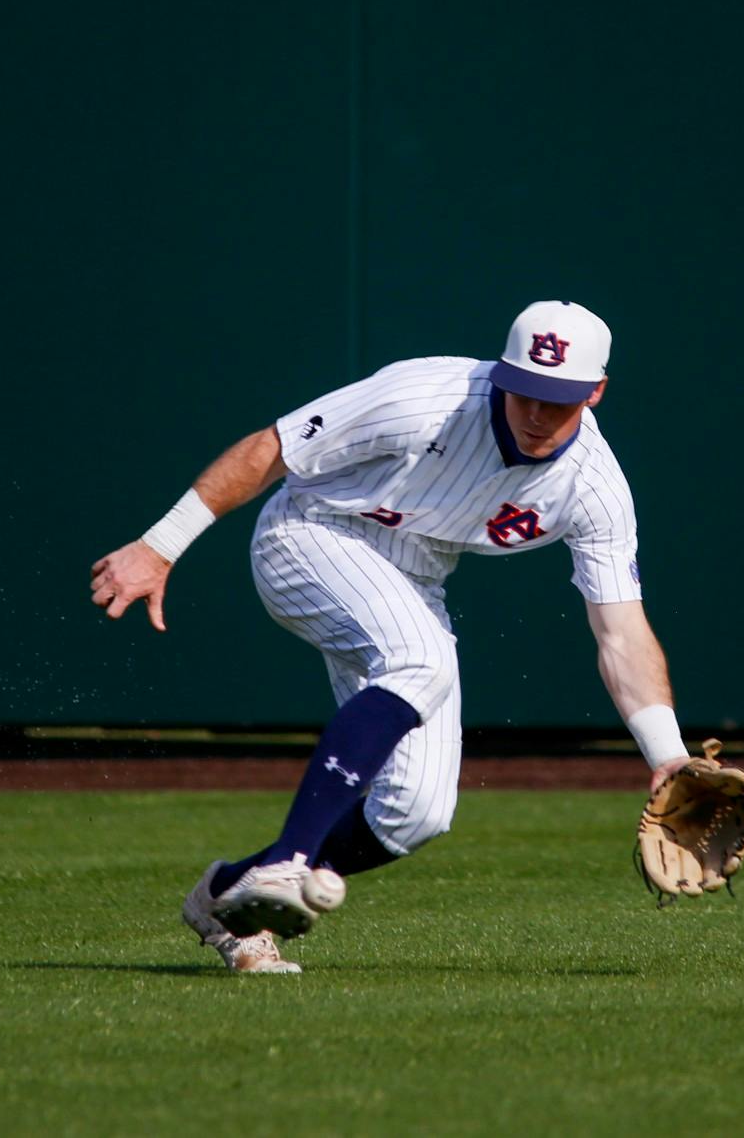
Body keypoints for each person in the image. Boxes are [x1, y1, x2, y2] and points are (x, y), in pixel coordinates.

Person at [89, 300, 693, 973]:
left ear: (595, 391)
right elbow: (272, 447)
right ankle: (288, 863)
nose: (535, 412)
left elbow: (621, 632)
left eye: (556, 399)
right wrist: (160, 545)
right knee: (420, 660)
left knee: (416, 812)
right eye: (523, 389)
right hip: (311, 532)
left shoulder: (595, 487)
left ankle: (228, 897)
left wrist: (668, 754)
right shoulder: (425, 397)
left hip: (414, 579)